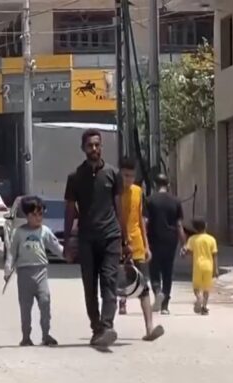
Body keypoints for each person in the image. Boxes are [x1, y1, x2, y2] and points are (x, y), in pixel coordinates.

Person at [64, 129, 128, 347]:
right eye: (90, 145)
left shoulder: (112, 174)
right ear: (83, 148)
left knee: (109, 281)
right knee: (89, 286)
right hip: (87, 239)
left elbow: (120, 209)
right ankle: (96, 327)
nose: (94, 149)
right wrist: (67, 243)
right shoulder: (75, 177)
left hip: (110, 236)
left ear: (102, 147)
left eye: (97, 145)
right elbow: (70, 210)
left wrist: (124, 240)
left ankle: (107, 325)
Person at [3, 196, 64, 347]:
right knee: (25, 308)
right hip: (24, 275)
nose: (38, 218)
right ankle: (26, 337)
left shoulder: (45, 231)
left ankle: (46, 334)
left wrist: (69, 255)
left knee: (45, 302)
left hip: (41, 272)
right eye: (34, 215)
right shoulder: (18, 232)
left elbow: (57, 248)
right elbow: (11, 253)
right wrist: (7, 268)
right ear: (27, 215)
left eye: (40, 214)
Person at [116, 159, 164, 341]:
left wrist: (146, 246)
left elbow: (140, 220)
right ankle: (107, 326)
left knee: (143, 286)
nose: (128, 179)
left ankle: (149, 328)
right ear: (120, 174)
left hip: (137, 244)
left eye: (131, 175)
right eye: (125, 175)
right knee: (117, 284)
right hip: (118, 245)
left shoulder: (138, 192)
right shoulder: (115, 192)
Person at [143, 173, 185, 314]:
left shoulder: (149, 200)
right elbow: (179, 225)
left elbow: (146, 222)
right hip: (170, 240)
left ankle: (157, 291)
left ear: (155, 185)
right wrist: (183, 243)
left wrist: (144, 241)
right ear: (168, 185)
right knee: (168, 271)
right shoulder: (176, 201)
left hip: (154, 239)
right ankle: (165, 306)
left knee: (154, 270)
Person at [182, 218, 218, 315]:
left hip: (197, 265)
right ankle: (204, 307)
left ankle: (199, 298)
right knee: (206, 288)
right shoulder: (211, 239)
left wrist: (184, 253)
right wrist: (216, 269)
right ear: (205, 226)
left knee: (196, 287)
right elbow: (214, 255)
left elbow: (188, 251)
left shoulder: (192, 239)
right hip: (208, 266)